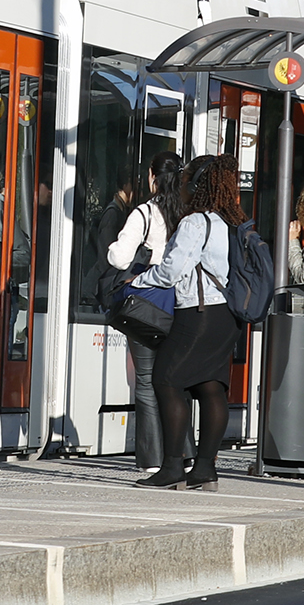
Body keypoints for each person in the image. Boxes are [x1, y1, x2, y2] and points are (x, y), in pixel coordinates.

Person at [131, 152, 248, 490]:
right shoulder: (231, 222)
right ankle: (205, 469)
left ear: (198, 186)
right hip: (227, 315)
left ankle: (172, 467)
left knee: (166, 380)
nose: (181, 187)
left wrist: (138, 281)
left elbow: (172, 271)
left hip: (198, 312)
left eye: (185, 181)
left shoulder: (195, 223)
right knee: (211, 386)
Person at [105, 153, 180, 473]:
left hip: (147, 306)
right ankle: (183, 452)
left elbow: (120, 258)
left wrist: (114, 249)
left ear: (152, 177)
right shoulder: (187, 214)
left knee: (147, 381)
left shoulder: (145, 213)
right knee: (175, 381)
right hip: (181, 304)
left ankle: (151, 459)